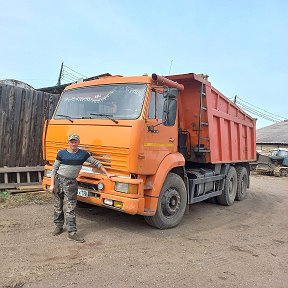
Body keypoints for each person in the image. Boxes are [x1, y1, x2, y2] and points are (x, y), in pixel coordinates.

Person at [49, 134, 114, 243]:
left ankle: (72, 232)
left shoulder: (83, 154)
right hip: (58, 181)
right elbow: (54, 169)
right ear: (68, 142)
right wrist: (51, 184)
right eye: (71, 142)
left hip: (71, 183)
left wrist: (107, 174)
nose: (73, 144)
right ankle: (58, 226)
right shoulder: (61, 153)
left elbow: (96, 163)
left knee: (70, 208)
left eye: (75, 142)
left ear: (78, 142)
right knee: (58, 205)